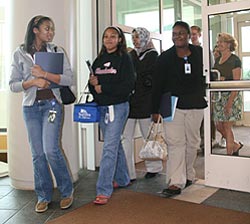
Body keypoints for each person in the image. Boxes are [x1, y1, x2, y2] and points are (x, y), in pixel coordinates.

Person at [9, 15, 74, 213]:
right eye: (47, 28)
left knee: (51, 150)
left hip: (52, 105)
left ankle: (66, 191)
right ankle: (43, 195)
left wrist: (44, 75)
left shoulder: (56, 51)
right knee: (37, 154)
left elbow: (68, 78)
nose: (51, 32)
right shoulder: (19, 53)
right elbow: (13, 85)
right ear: (35, 30)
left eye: (52, 29)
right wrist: (32, 82)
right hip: (31, 109)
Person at [152, 21, 207, 197]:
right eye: (175, 34)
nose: (178, 36)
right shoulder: (165, 57)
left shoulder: (200, 53)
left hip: (196, 104)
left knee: (192, 142)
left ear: (189, 35)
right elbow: (157, 85)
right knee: (175, 144)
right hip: (172, 105)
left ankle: (189, 174)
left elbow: (206, 76)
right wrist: (155, 109)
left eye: (181, 33)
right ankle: (175, 182)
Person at [88, 26, 135, 205]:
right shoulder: (98, 60)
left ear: (120, 39)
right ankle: (123, 179)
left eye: (113, 36)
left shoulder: (125, 59)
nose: (108, 39)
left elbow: (128, 86)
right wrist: (93, 84)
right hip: (102, 108)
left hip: (119, 107)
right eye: (105, 36)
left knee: (108, 148)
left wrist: (103, 88)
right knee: (114, 145)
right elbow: (92, 85)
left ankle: (103, 189)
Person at [122, 27, 161, 181]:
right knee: (126, 138)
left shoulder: (153, 55)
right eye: (133, 38)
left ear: (145, 38)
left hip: (146, 102)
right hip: (130, 102)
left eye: (138, 37)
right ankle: (128, 172)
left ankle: (154, 168)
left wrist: (155, 107)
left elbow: (149, 78)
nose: (135, 41)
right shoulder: (131, 55)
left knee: (148, 137)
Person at [212, 32, 243, 156]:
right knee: (219, 126)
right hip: (219, 96)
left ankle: (229, 157)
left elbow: (236, 83)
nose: (218, 44)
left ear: (229, 44)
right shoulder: (217, 59)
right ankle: (235, 146)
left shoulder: (235, 60)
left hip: (231, 96)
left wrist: (229, 103)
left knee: (227, 126)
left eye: (221, 42)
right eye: (218, 42)